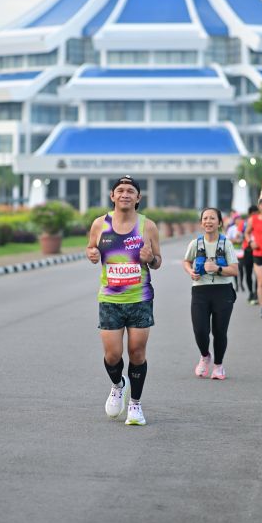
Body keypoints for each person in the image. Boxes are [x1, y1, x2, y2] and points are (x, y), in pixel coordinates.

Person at [86, 175, 161, 426]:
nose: (125, 194)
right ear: (112, 196)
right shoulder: (100, 224)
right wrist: (92, 254)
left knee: (137, 353)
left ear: (138, 198)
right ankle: (118, 385)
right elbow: (91, 248)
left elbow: (158, 261)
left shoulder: (148, 226)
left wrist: (151, 259)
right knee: (112, 355)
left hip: (140, 298)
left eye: (130, 191)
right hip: (110, 299)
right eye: (120, 190)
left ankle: (135, 405)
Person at [183, 207, 238, 380]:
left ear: (219, 222)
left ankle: (218, 366)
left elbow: (234, 270)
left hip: (223, 291)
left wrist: (218, 268)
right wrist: (190, 272)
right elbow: (186, 261)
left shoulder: (226, 243)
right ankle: (205, 355)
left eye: (212, 218)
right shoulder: (195, 244)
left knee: (219, 331)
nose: (208, 221)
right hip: (200, 291)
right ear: (201, 223)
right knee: (200, 330)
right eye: (205, 218)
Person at [237, 205, 258, 304]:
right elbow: (238, 234)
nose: (255, 216)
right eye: (253, 214)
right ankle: (251, 292)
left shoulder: (260, 222)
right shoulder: (244, 223)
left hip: (258, 250)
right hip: (247, 250)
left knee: (258, 273)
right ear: (250, 214)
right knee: (248, 273)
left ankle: (256, 293)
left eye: (256, 214)